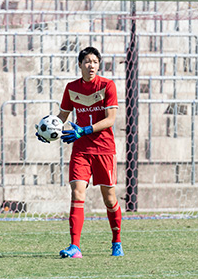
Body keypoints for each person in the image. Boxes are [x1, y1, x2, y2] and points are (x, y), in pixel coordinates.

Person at [37, 47, 123, 258]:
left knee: (109, 199)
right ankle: (75, 246)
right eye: (86, 61)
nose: (91, 65)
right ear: (80, 64)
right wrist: (50, 133)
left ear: (99, 65)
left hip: (104, 149)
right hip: (81, 150)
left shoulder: (107, 86)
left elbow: (111, 119)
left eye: (94, 61)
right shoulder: (71, 88)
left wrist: (85, 130)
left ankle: (116, 241)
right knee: (77, 193)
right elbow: (62, 117)